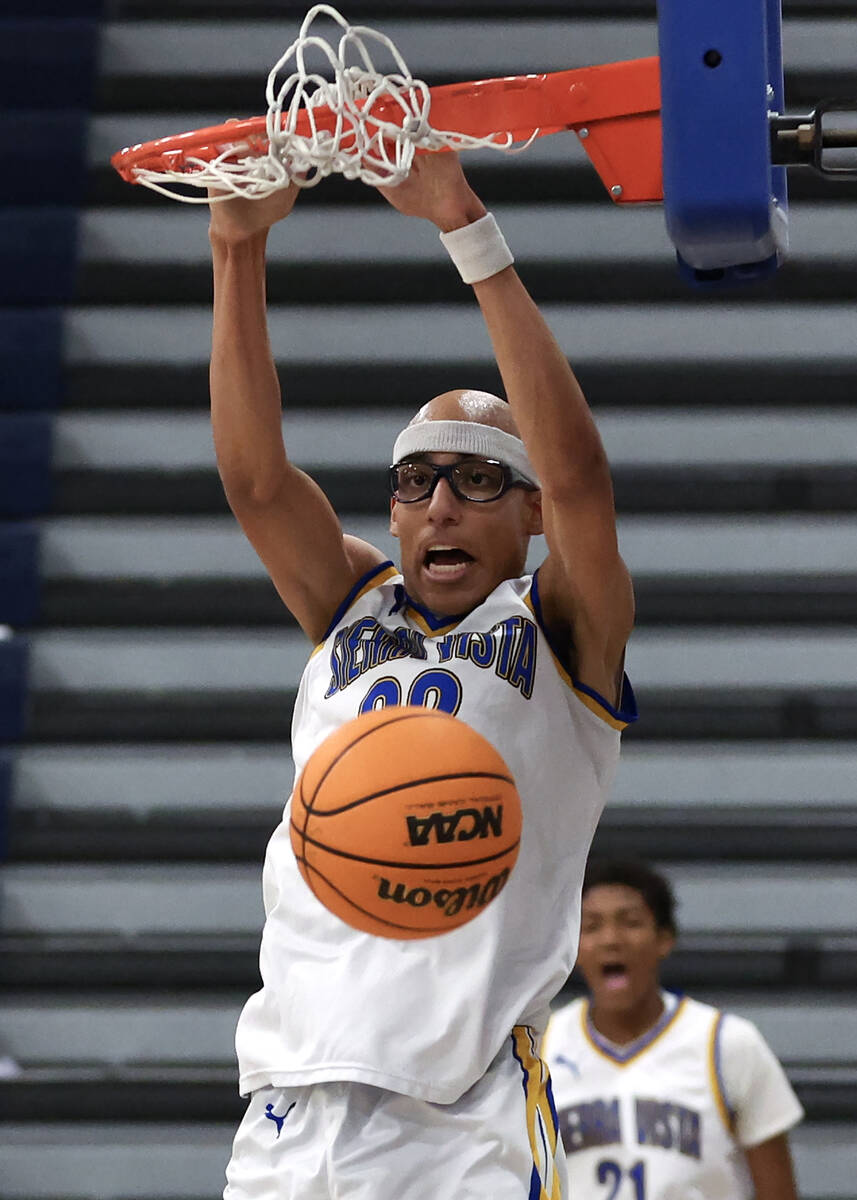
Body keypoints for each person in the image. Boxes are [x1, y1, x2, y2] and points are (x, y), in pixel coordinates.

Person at [208, 150, 636, 1199]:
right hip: (288, 1104)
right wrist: (235, 245)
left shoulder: (558, 624)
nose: (440, 502)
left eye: (478, 477)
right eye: (415, 480)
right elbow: (257, 483)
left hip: (462, 1120)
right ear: (394, 513)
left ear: (530, 513)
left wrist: (464, 226)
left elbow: (581, 475)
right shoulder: (349, 600)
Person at [543, 858, 804, 1200]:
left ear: (664, 939)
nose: (611, 940)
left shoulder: (729, 1044)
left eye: (630, 922)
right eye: (591, 926)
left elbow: (779, 1191)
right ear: (573, 947)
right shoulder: (542, 1046)